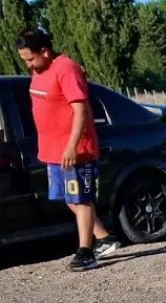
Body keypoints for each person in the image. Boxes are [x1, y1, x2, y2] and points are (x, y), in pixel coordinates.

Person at [15, 29, 120, 271]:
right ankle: (105, 238)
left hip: (76, 150)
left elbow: (81, 110)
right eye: (25, 60)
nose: (29, 65)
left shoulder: (66, 68)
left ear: (45, 51)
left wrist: (72, 146)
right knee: (70, 199)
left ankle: (86, 253)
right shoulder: (40, 68)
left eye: (30, 59)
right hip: (53, 151)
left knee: (81, 199)